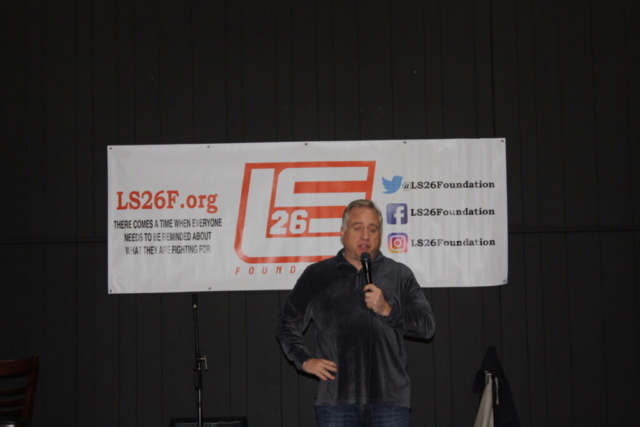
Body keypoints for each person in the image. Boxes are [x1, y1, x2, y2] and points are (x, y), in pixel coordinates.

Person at [276, 199, 436, 427]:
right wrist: (303, 360)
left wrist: (387, 310)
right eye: (358, 228)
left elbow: (427, 326)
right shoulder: (317, 275)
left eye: (372, 229)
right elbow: (287, 322)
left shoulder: (399, 275)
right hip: (336, 401)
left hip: (390, 401)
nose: (365, 236)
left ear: (380, 235)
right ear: (342, 233)